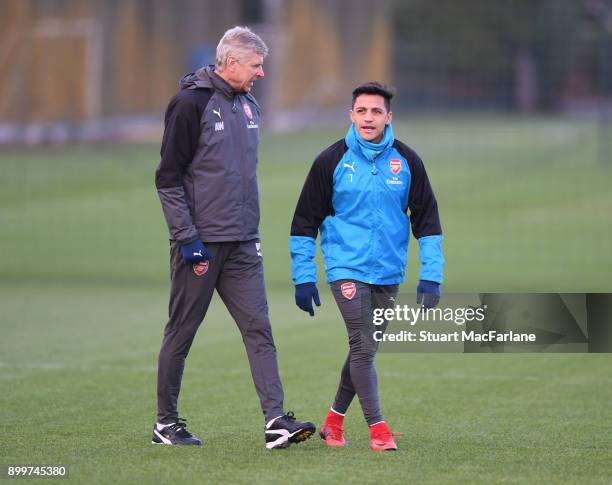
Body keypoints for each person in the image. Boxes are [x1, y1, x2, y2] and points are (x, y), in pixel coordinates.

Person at [153, 26, 314, 449]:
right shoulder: (190, 104)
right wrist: (187, 238)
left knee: (259, 328)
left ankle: (276, 420)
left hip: (244, 241)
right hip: (201, 243)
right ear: (230, 63)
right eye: (256, 65)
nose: (261, 73)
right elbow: (168, 178)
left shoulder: (249, 105)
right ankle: (165, 424)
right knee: (182, 331)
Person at [289, 82, 444, 451]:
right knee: (361, 344)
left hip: (388, 273)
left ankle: (333, 422)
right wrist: (304, 276)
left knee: (365, 350)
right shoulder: (330, 160)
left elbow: (428, 222)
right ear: (351, 115)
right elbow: (303, 222)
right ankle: (378, 429)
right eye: (362, 111)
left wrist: (431, 276)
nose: (368, 118)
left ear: (388, 118)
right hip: (346, 267)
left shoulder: (407, 161)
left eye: (376, 112)